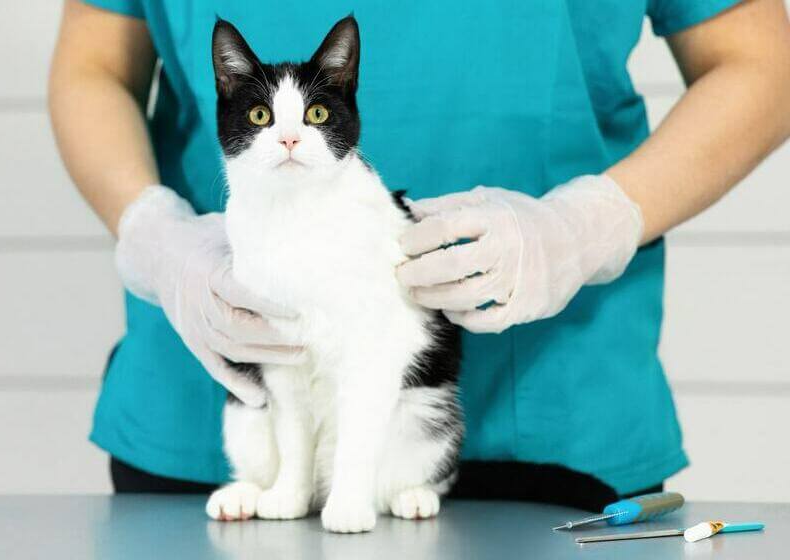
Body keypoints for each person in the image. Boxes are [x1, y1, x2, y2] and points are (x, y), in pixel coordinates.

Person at [48, 0, 790, 509]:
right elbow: (94, 64)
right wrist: (154, 233)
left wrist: (588, 226)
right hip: (220, 404)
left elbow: (760, 60)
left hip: (554, 406)